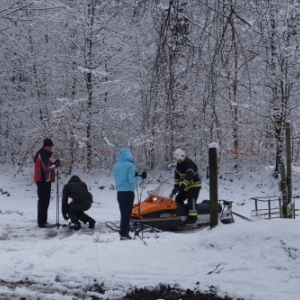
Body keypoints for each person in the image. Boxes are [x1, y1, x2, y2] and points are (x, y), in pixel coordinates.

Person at [113, 148, 147, 240]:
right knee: (127, 214)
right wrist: (140, 177)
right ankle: (124, 234)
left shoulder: (116, 165)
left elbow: (118, 177)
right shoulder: (130, 165)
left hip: (119, 193)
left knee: (123, 213)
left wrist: (134, 175)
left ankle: (124, 232)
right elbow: (131, 180)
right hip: (128, 192)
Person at [34, 138, 60, 228]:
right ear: (46, 146)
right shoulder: (42, 154)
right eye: (50, 147)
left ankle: (43, 221)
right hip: (43, 181)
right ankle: (42, 222)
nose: (51, 148)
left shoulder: (43, 154)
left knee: (44, 201)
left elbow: (49, 164)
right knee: (43, 201)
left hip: (44, 181)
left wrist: (54, 164)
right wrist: (55, 165)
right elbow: (46, 168)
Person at [171, 148, 202, 224]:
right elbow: (177, 178)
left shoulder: (190, 164)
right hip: (186, 186)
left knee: (191, 199)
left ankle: (193, 218)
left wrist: (181, 187)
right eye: (177, 160)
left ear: (182, 157)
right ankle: (181, 214)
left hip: (194, 185)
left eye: (179, 160)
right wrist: (176, 187)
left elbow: (188, 177)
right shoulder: (178, 166)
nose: (178, 161)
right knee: (178, 199)